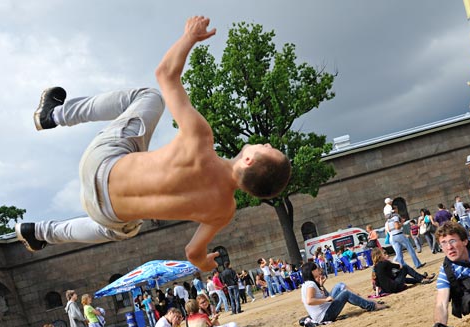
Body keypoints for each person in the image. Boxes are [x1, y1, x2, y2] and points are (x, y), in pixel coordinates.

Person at [15, 16, 292, 273]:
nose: (266, 142)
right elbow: (193, 252)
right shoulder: (223, 211)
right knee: (121, 229)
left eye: (268, 149)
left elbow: (166, 74)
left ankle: (53, 115)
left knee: (150, 96)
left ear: (248, 161)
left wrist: (190, 37)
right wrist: (205, 264)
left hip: (101, 164)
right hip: (103, 213)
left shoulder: (200, 140)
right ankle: (38, 232)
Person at [300, 261, 386, 324]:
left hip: (324, 311)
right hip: (325, 316)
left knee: (339, 285)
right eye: (316, 269)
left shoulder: (306, 284)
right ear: (311, 272)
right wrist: (326, 300)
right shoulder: (311, 285)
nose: (318, 270)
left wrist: (321, 286)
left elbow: (317, 297)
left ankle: (367, 301)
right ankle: (371, 306)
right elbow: (309, 301)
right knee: (345, 293)